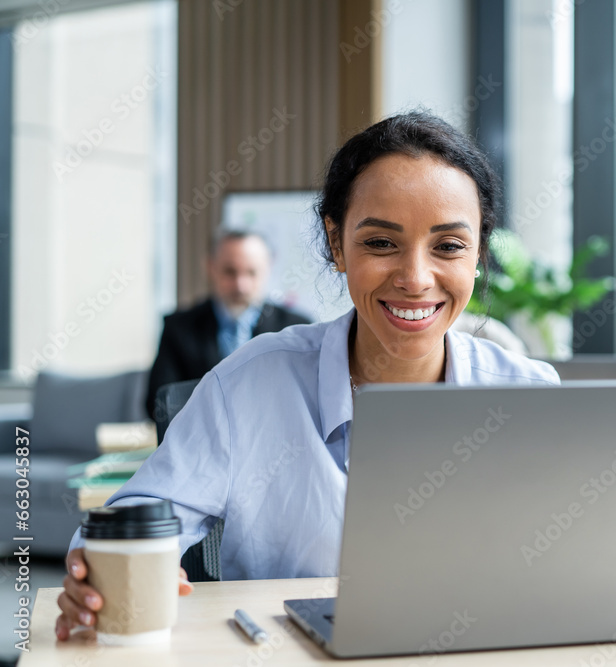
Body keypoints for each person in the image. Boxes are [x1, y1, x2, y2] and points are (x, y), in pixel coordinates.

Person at [55, 111, 559, 640]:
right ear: (337, 243)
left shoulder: (529, 396)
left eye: (449, 246)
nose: (415, 278)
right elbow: (135, 518)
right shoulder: (246, 386)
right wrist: (104, 574)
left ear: (478, 253)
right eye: (381, 243)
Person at [145, 230, 312, 420]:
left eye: (251, 272)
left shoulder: (297, 328)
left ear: (268, 268)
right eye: (230, 272)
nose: (241, 285)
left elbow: (308, 401)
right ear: (211, 267)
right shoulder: (179, 328)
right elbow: (158, 403)